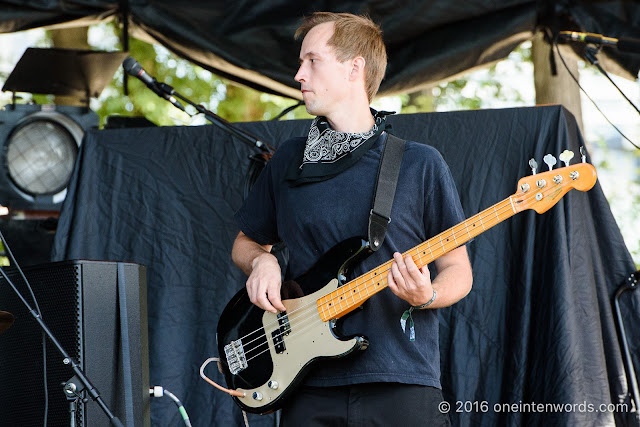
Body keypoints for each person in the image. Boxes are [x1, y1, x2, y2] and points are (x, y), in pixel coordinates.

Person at [231, 11, 473, 426]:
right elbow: (245, 242)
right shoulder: (289, 159)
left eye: (312, 60)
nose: (297, 74)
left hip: (401, 381)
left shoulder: (418, 164)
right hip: (306, 384)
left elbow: (458, 270)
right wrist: (262, 261)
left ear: (354, 67)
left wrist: (426, 296)